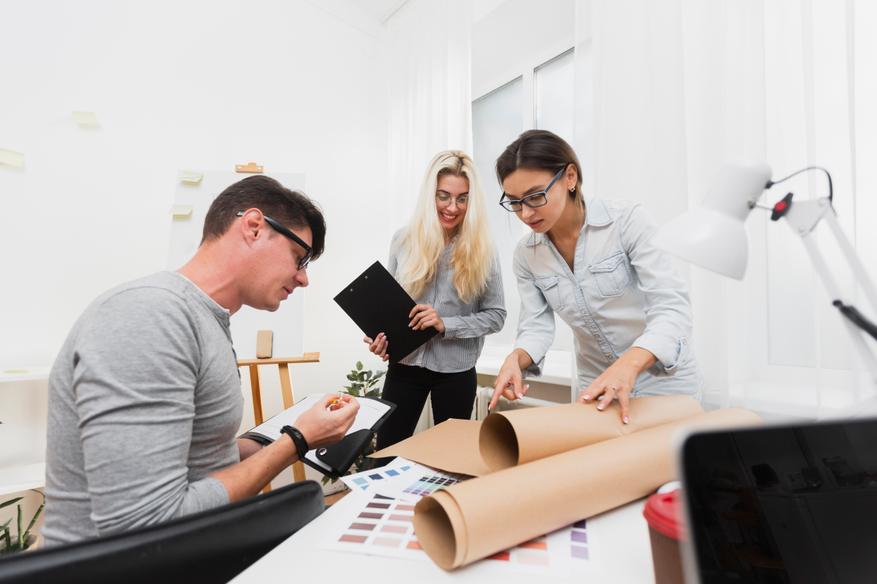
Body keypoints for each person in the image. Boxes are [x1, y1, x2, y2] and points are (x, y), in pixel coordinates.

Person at [42, 175, 360, 546]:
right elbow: (144, 526)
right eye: (299, 257)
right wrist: (297, 440)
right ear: (254, 227)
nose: (304, 278)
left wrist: (275, 440)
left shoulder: (201, 318)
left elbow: (190, 453)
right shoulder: (150, 316)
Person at [488, 130, 701, 423]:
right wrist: (516, 359)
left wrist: (628, 366)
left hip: (663, 380)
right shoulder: (527, 255)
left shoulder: (625, 222)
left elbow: (671, 307)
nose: (525, 214)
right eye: (514, 202)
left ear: (570, 177)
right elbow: (536, 326)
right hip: (597, 384)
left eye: (535, 196)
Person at [365, 151, 506, 450]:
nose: (452, 207)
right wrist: (381, 338)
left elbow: (496, 315)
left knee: (451, 458)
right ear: (430, 195)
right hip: (404, 367)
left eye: (462, 199)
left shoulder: (484, 249)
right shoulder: (402, 240)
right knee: (387, 451)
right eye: (444, 196)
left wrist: (446, 324)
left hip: (456, 372)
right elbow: (389, 305)